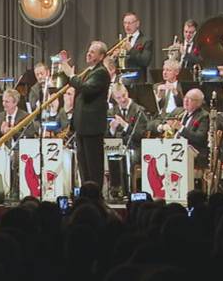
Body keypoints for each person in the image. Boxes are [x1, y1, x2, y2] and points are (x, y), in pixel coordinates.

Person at [59, 40, 112, 189]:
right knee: (84, 167)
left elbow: (85, 89)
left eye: (93, 52)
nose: (88, 53)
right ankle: (86, 194)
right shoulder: (90, 72)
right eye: (89, 50)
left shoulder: (101, 73)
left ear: (101, 56)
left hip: (92, 128)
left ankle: (95, 196)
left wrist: (70, 73)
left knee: (93, 167)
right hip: (82, 127)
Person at [153, 88, 211, 169]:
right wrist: (164, 126)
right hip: (174, 147)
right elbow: (160, 121)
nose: (186, 101)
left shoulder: (204, 116)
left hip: (193, 151)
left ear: (198, 103)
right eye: (185, 98)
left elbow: (199, 138)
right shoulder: (179, 111)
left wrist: (181, 128)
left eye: (190, 99)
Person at [120, 12, 153, 84]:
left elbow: (145, 61)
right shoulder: (122, 40)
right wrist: (115, 57)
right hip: (122, 78)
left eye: (129, 23)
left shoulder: (146, 40)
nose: (127, 26)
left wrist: (131, 50)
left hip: (137, 81)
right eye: (125, 23)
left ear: (137, 24)